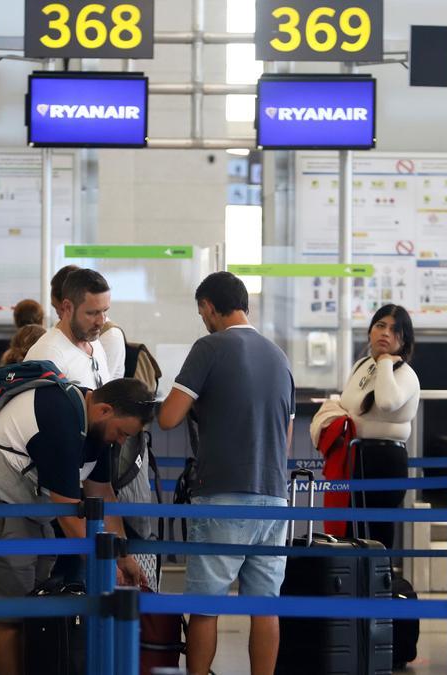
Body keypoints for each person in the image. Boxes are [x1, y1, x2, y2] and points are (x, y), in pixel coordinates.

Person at [0, 377, 152, 675]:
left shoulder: (97, 432)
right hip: (0, 507)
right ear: (104, 410)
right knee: (10, 616)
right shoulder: (61, 415)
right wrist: (104, 563)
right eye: (122, 432)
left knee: (36, 611)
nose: (121, 441)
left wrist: (123, 556)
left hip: (32, 513)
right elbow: (68, 512)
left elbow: (102, 494)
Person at [158, 271, 295, 675]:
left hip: (221, 495)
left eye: (202, 311)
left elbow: (168, 418)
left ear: (209, 307)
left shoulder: (209, 347)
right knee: (265, 608)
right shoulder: (278, 355)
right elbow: (284, 438)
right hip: (273, 497)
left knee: (205, 608)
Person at [318, 304, 420, 550]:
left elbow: (386, 402)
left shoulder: (406, 374)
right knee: (350, 531)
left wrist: (386, 361)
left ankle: (378, 586)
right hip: (354, 455)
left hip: (385, 459)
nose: (385, 333)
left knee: (377, 534)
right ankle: (352, 586)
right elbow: (346, 405)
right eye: (380, 325)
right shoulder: (361, 365)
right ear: (370, 331)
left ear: (404, 340)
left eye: (395, 330)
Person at [26, 268, 112, 388]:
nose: (101, 321)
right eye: (92, 313)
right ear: (68, 307)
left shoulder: (94, 343)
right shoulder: (47, 354)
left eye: (105, 311)